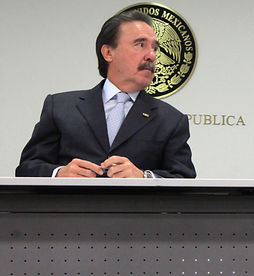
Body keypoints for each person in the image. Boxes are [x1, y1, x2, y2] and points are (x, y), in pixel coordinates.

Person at [16, 10, 195, 178]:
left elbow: (184, 179)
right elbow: (26, 168)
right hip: (71, 209)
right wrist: (59, 173)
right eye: (140, 45)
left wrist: (144, 176)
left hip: (136, 211)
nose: (151, 56)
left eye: (154, 48)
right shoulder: (60, 107)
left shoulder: (171, 120)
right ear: (108, 52)